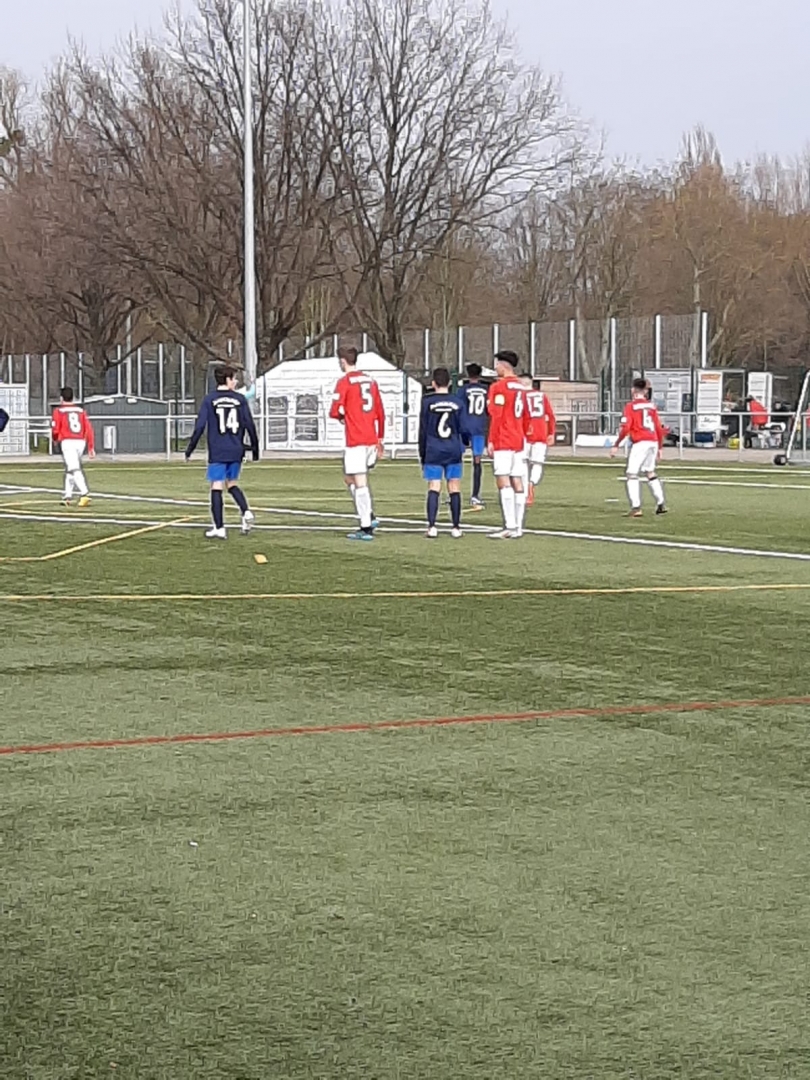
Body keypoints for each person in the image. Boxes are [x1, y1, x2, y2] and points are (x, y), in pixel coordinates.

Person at [185, 365, 259, 540]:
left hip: (218, 449)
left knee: (216, 486)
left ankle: (219, 527)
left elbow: (200, 426)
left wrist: (190, 448)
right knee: (231, 484)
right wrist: (254, 449)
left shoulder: (209, 399)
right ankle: (246, 511)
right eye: (234, 378)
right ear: (227, 379)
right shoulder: (240, 399)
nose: (236, 382)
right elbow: (249, 424)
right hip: (236, 449)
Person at [330, 346, 385, 542]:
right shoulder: (371, 381)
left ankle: (366, 526)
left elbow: (334, 411)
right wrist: (380, 438)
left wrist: (342, 416)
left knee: (360, 482)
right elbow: (380, 411)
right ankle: (368, 514)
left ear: (343, 361)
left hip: (356, 439)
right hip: (371, 437)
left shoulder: (344, 382)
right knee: (349, 478)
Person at [486, 350, 530, 539]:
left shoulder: (498, 387)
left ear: (504, 365)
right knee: (517, 480)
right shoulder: (522, 387)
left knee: (503, 480)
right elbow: (526, 416)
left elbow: (496, 415)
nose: (495, 368)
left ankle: (509, 525)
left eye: (496, 364)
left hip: (503, 438)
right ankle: (518, 527)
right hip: (519, 439)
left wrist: (491, 440)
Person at [610, 378, 667, 517]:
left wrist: (616, 444)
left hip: (640, 442)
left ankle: (636, 507)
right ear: (645, 391)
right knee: (650, 472)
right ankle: (661, 503)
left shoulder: (631, 406)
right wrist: (660, 447)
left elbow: (626, 428)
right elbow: (658, 427)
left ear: (633, 390)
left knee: (632, 474)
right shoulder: (651, 406)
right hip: (653, 441)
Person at [419, 368, 464, 539]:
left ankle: (432, 526)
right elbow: (462, 428)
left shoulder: (426, 402)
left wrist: (422, 453)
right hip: (453, 449)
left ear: (433, 384)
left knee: (434, 486)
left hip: (433, 449)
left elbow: (423, 430)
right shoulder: (458, 402)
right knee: (454, 486)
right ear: (450, 383)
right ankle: (456, 527)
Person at [51, 387, 95, 507]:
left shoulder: (59, 411)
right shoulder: (80, 411)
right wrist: (91, 446)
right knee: (70, 469)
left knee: (74, 468)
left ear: (61, 398)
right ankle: (67, 496)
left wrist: (55, 439)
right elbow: (88, 429)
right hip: (80, 441)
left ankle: (85, 493)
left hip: (68, 441)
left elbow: (55, 429)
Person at [457, 363, 488, 510]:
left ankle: (453, 493)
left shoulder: (463, 390)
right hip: (479, 427)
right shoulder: (486, 390)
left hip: (464, 426)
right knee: (477, 461)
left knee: (456, 459)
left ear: (468, 374)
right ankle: (475, 495)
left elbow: (457, 407)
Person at [521, 375, 556, 506]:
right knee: (537, 463)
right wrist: (551, 433)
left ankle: (525, 489)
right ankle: (532, 484)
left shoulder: (521, 396)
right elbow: (551, 415)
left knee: (523, 462)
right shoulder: (542, 396)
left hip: (525, 432)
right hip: (541, 432)